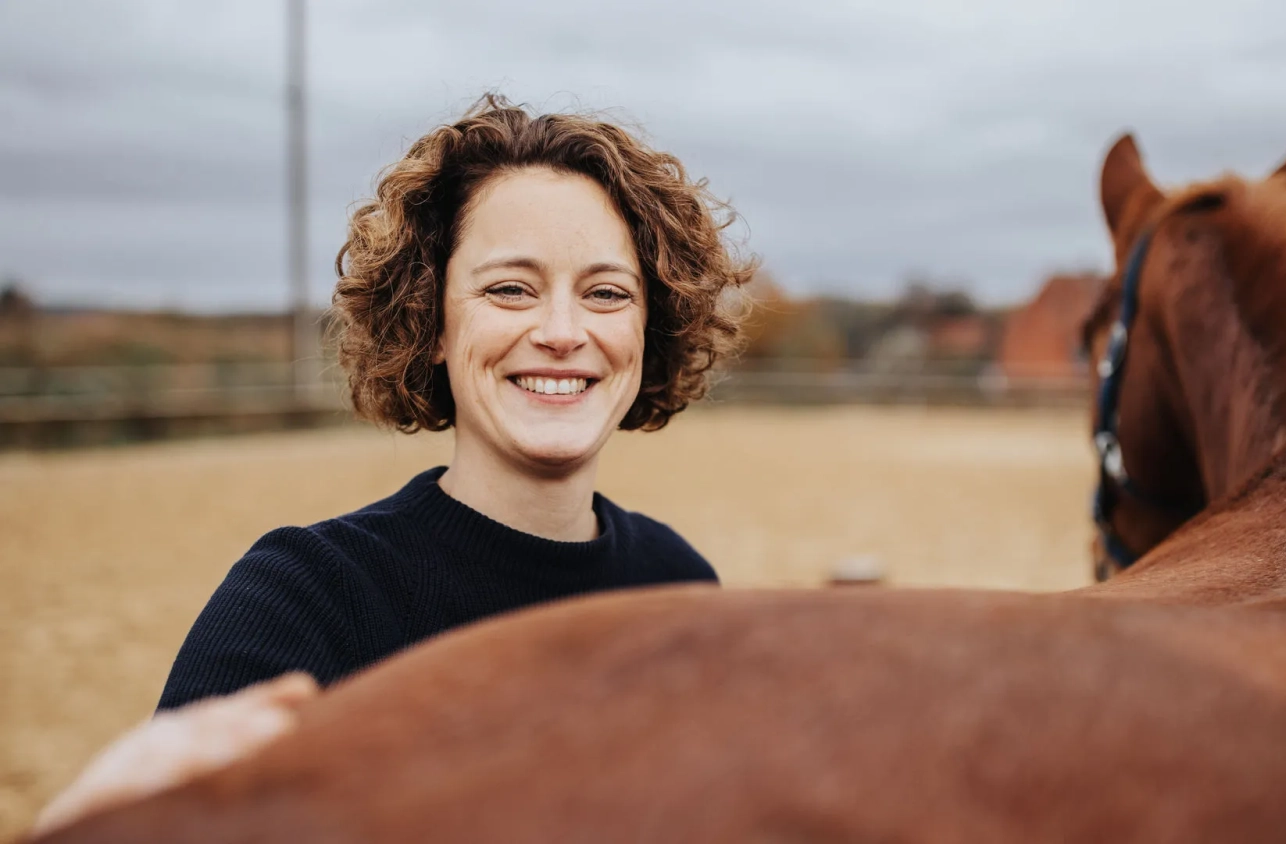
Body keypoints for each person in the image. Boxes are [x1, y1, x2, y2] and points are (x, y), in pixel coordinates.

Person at [33, 94, 754, 834]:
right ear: (432, 321)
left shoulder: (682, 588)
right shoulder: (306, 597)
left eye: (607, 293)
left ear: (649, 325)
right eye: (510, 289)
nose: (563, 332)